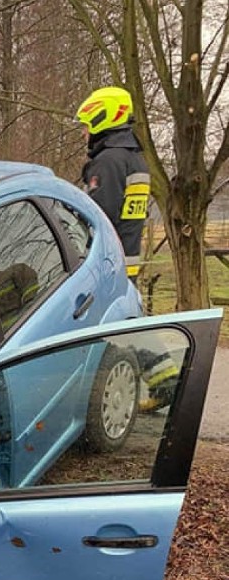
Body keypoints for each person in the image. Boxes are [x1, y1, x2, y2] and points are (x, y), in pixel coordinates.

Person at [76, 86, 179, 412]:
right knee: (128, 319)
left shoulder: (108, 161)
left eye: (88, 123)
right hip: (129, 252)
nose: (84, 131)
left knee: (121, 325)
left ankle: (164, 382)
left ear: (103, 117)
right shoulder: (135, 158)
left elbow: (96, 216)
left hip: (108, 258)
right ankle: (165, 380)